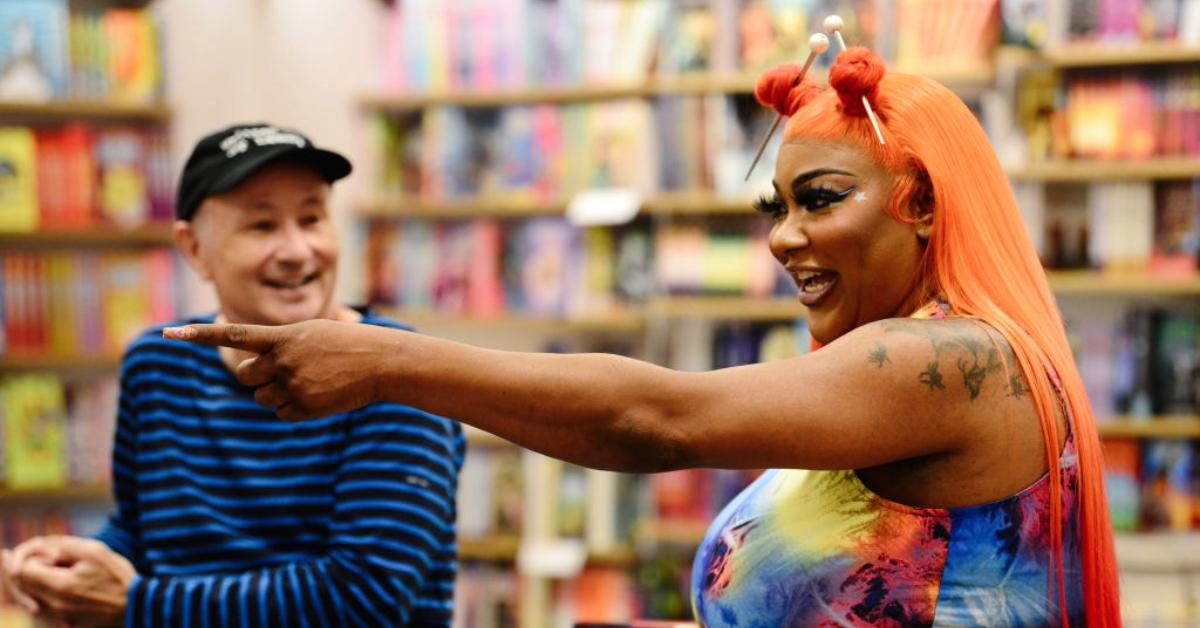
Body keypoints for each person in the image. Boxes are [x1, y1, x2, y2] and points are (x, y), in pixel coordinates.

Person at [166, 50, 1121, 626]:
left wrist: (388, 361)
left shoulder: (951, 363)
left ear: (919, 204)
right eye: (776, 205)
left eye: (820, 200)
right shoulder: (893, 364)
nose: (785, 236)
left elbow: (656, 419)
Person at [1, 123, 465, 627]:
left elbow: (363, 600)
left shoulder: (395, 370)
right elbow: (141, 534)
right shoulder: (157, 364)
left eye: (312, 218)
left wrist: (136, 605)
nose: (296, 250)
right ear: (195, 248)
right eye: (261, 226)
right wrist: (74, 568)